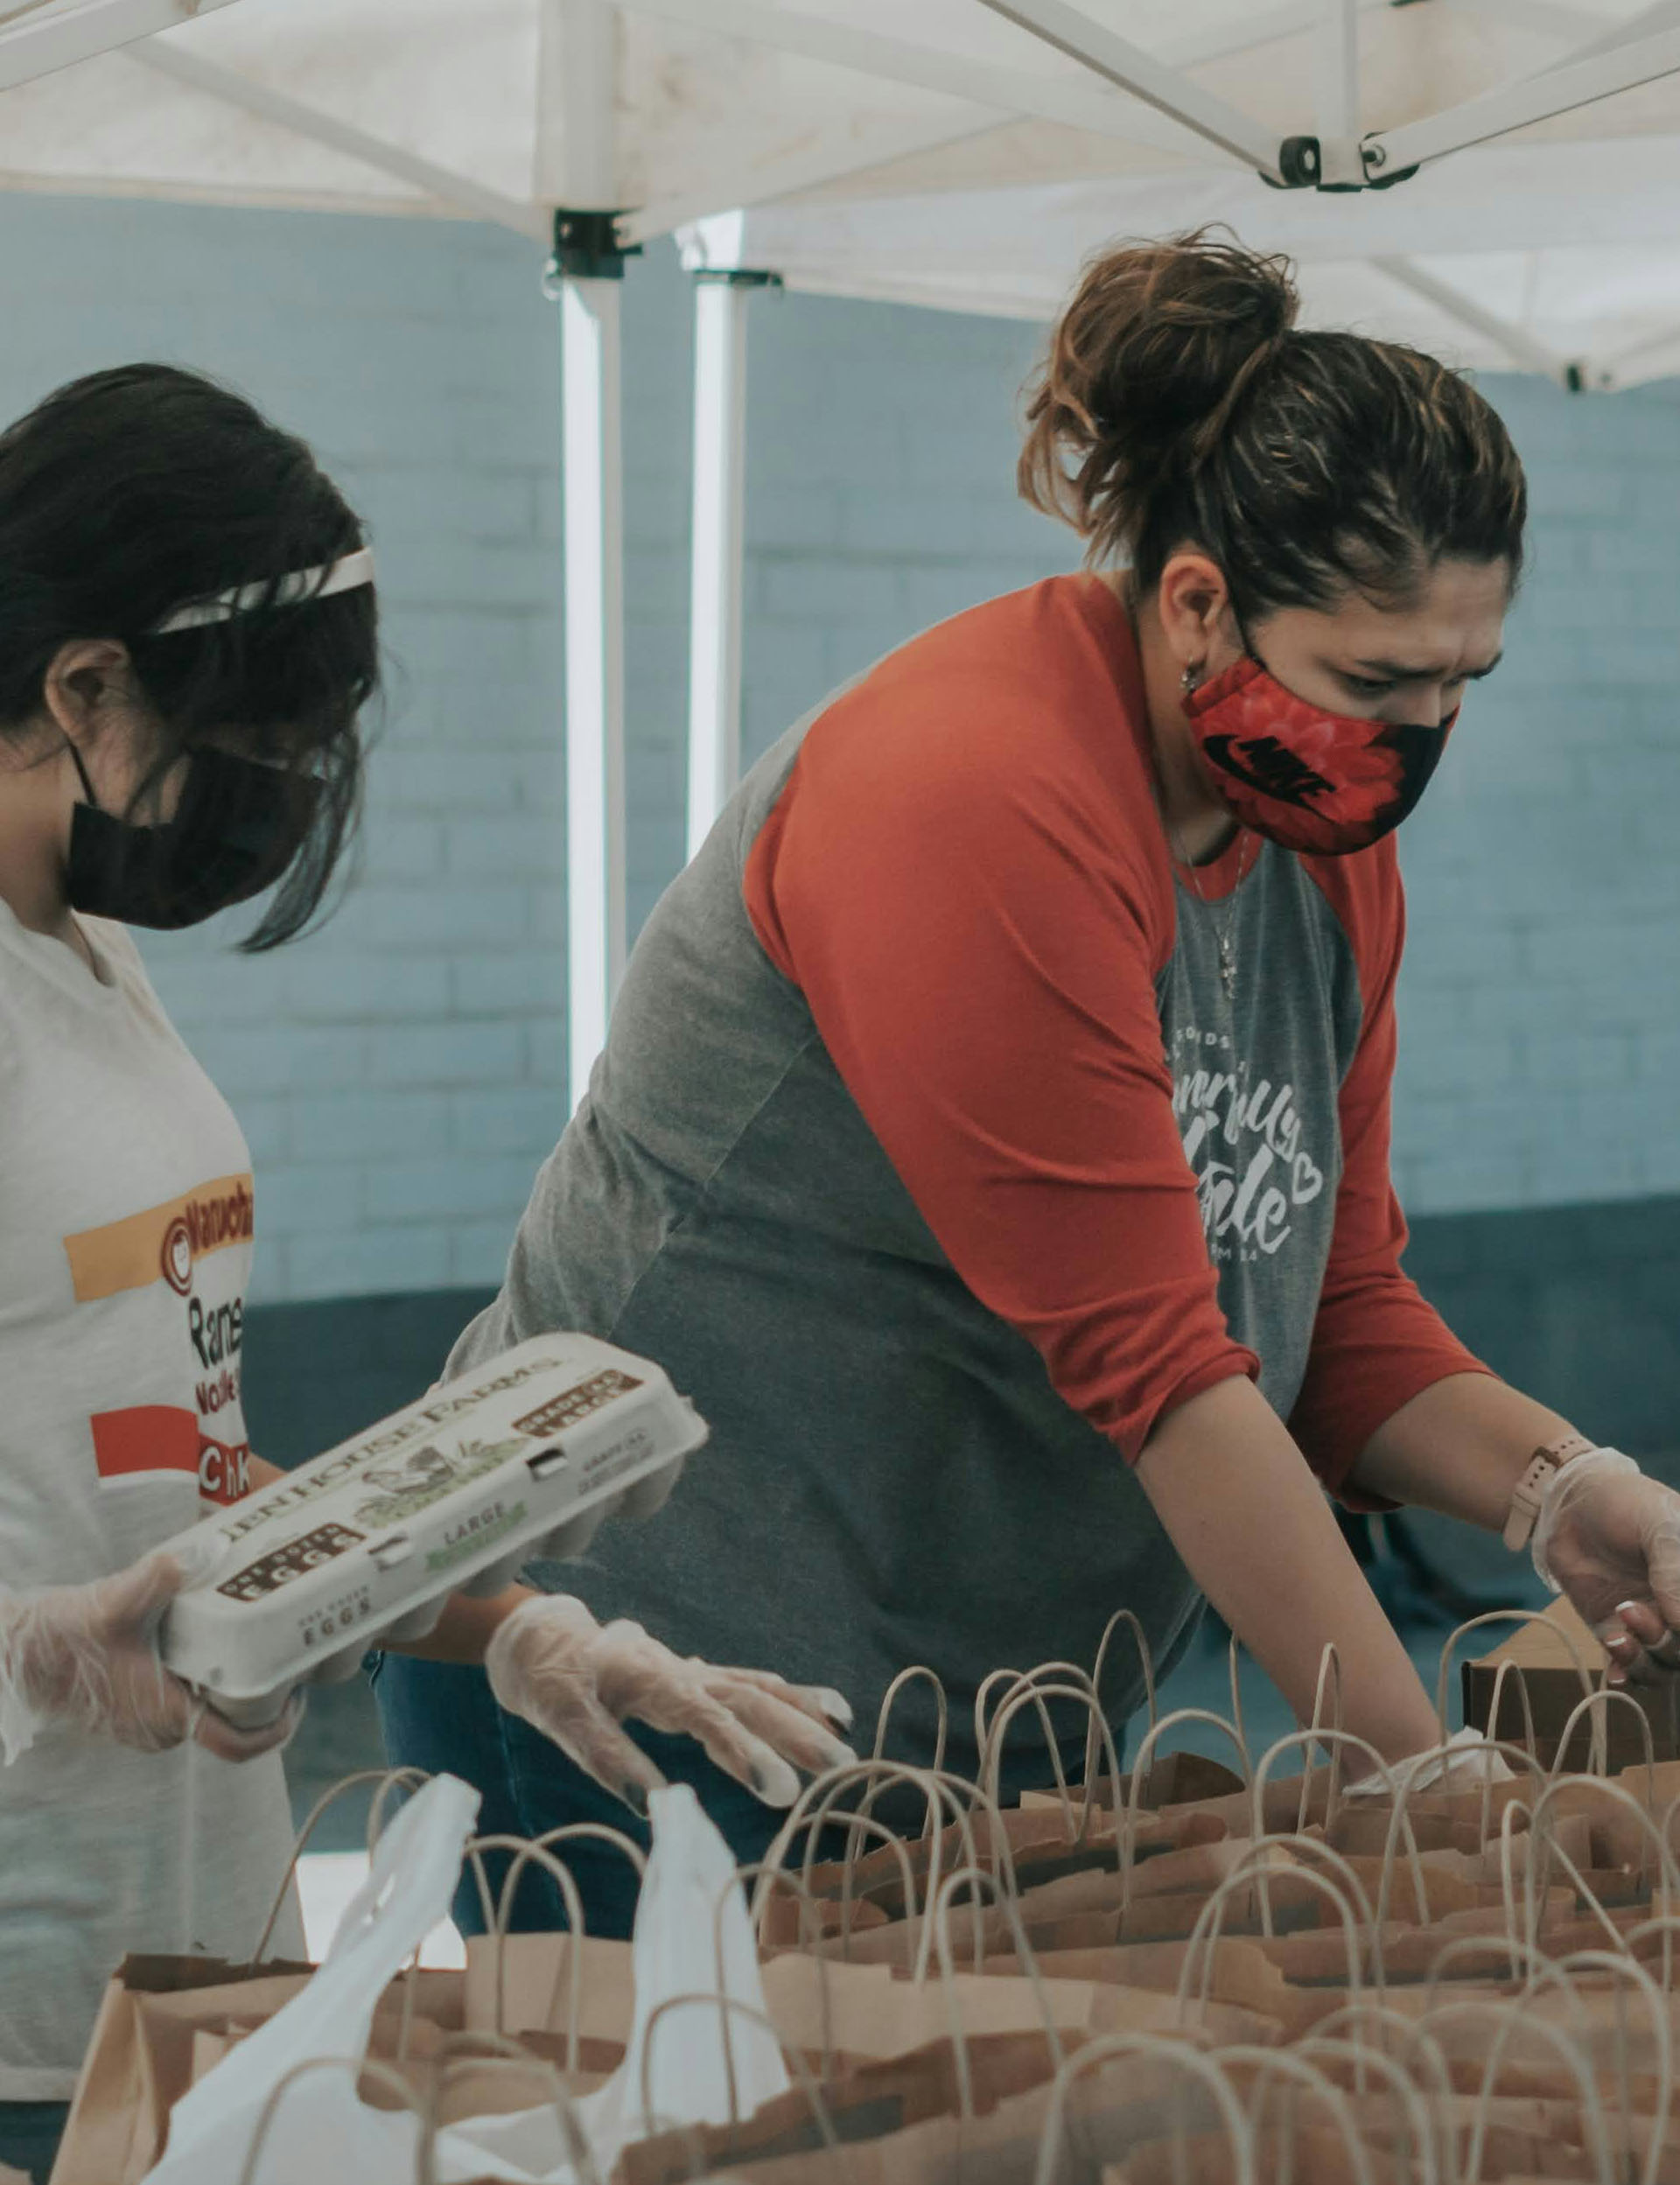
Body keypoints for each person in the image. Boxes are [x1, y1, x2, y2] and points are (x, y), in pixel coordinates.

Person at [377, 229, 1680, 1932]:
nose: (1419, 737)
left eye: (1459, 683)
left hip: (946, 1717)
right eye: (1377, 680)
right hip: (636, 1669)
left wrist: (1565, 1485)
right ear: (1200, 599)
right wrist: (1421, 1777)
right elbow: (1160, 1369)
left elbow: (1327, 1304)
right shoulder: (976, 798)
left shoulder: (1322, 848)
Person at [0, 365, 849, 2182]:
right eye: (253, 757)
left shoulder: (78, 961)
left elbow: (164, 1472)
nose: (275, 810)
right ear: (82, 685)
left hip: (184, 1936)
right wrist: (22, 1644)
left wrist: (495, 1613)